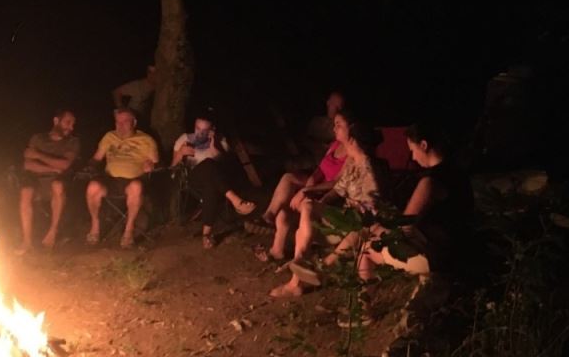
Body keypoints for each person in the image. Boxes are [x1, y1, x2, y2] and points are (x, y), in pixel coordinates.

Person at [304, 121, 473, 324]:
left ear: (424, 145)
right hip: (459, 246)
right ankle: (327, 268)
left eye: (413, 150)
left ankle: (362, 311)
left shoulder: (431, 181)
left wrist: (380, 231)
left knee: (366, 249)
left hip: (439, 255)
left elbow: (405, 226)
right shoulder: (456, 173)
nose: (413, 157)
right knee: (372, 231)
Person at [269, 113, 381, 298]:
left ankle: (298, 275)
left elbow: (370, 212)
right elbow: (338, 189)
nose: (334, 128)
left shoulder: (368, 169)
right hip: (344, 216)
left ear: (352, 139)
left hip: (354, 224)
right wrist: (317, 204)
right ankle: (298, 271)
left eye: (339, 125)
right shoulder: (353, 162)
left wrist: (317, 205)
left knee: (305, 220)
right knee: (307, 212)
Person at [171, 110, 256, 248]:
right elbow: (173, 169)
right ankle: (236, 200)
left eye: (204, 130)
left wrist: (214, 147)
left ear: (212, 130)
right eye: (197, 128)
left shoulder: (220, 141)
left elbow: (227, 167)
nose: (200, 133)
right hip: (194, 180)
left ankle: (206, 235)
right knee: (208, 164)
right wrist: (180, 153)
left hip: (217, 182)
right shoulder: (185, 140)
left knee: (210, 184)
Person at [85, 108, 159, 248]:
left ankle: (128, 231)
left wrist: (151, 166)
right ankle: (95, 226)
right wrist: (90, 167)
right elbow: (96, 159)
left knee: (136, 186)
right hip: (111, 180)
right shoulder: (109, 137)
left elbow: (157, 164)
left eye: (125, 121)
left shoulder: (146, 140)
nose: (121, 125)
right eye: (118, 122)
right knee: (93, 186)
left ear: (134, 123)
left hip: (134, 180)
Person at [16, 109, 80, 254]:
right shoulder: (38, 138)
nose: (71, 127)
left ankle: (52, 232)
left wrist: (38, 155)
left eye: (73, 124)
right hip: (36, 179)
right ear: (56, 121)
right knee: (26, 191)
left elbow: (65, 165)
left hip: (57, 181)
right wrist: (53, 167)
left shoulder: (72, 142)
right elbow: (28, 164)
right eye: (68, 122)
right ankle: (26, 241)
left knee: (57, 186)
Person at [304, 90, 345, 162]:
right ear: (328, 102)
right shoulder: (316, 121)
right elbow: (305, 140)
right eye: (333, 103)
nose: (335, 108)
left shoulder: (341, 128)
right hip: (310, 158)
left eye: (338, 106)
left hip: (327, 161)